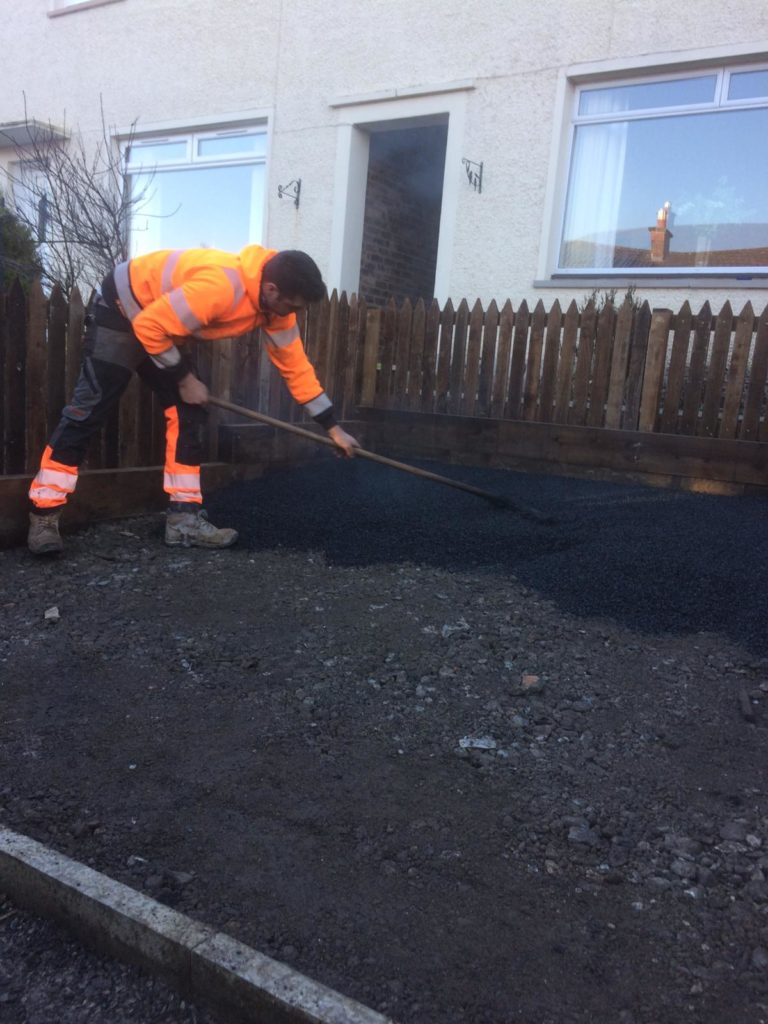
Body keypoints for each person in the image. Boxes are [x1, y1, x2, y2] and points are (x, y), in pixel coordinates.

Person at [27, 246, 359, 555]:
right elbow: (149, 326)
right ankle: (43, 515)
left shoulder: (277, 311)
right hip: (121, 309)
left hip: (158, 321)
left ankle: (183, 521)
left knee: (189, 412)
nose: (296, 313)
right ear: (272, 290)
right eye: (295, 306)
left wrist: (332, 428)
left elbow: (296, 368)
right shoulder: (221, 288)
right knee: (89, 409)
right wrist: (185, 379)